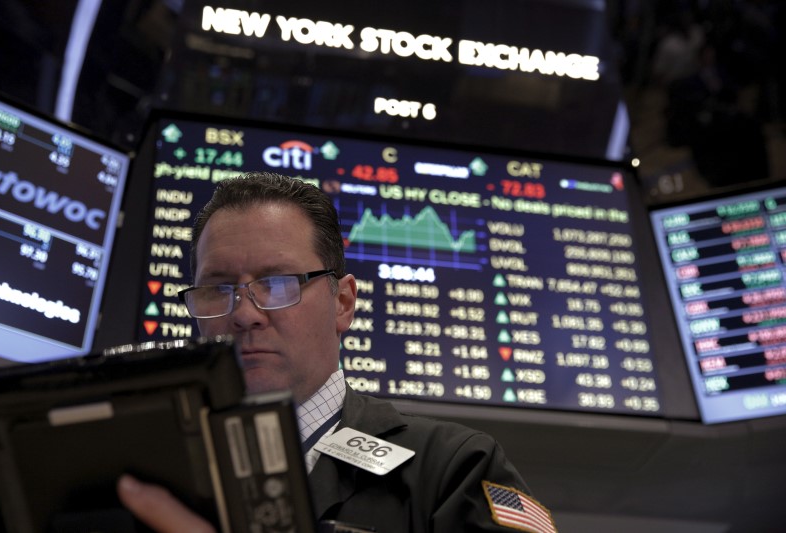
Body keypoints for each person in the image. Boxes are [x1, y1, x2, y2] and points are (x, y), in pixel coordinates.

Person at [117, 171, 556, 533]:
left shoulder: (453, 468)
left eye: (277, 283)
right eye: (217, 289)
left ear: (342, 303)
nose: (244, 315)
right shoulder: (140, 477)